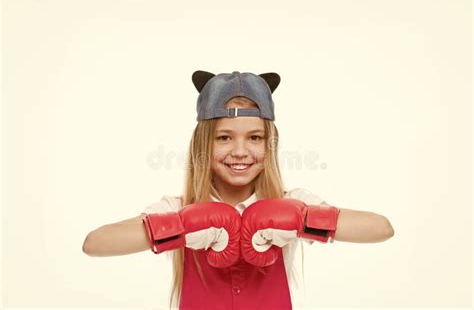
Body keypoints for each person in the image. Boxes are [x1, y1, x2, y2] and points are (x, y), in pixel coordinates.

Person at [82, 70, 395, 310]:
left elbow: (381, 228)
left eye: (255, 138)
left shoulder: (292, 202)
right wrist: (181, 224)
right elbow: (96, 243)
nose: (240, 151)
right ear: (203, 144)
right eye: (224, 138)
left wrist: (302, 219)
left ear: (268, 143)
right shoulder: (179, 206)